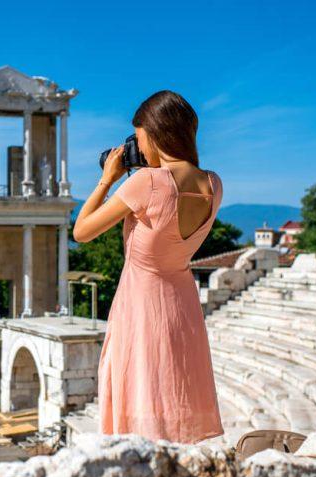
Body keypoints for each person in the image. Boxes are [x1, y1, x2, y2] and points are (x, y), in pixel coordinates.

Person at [73, 90, 224, 444]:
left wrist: (108, 179)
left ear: (155, 133)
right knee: (176, 389)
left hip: (142, 304)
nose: (138, 148)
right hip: (183, 304)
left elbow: (81, 231)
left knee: (144, 388)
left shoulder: (147, 183)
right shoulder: (214, 184)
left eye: (140, 138)